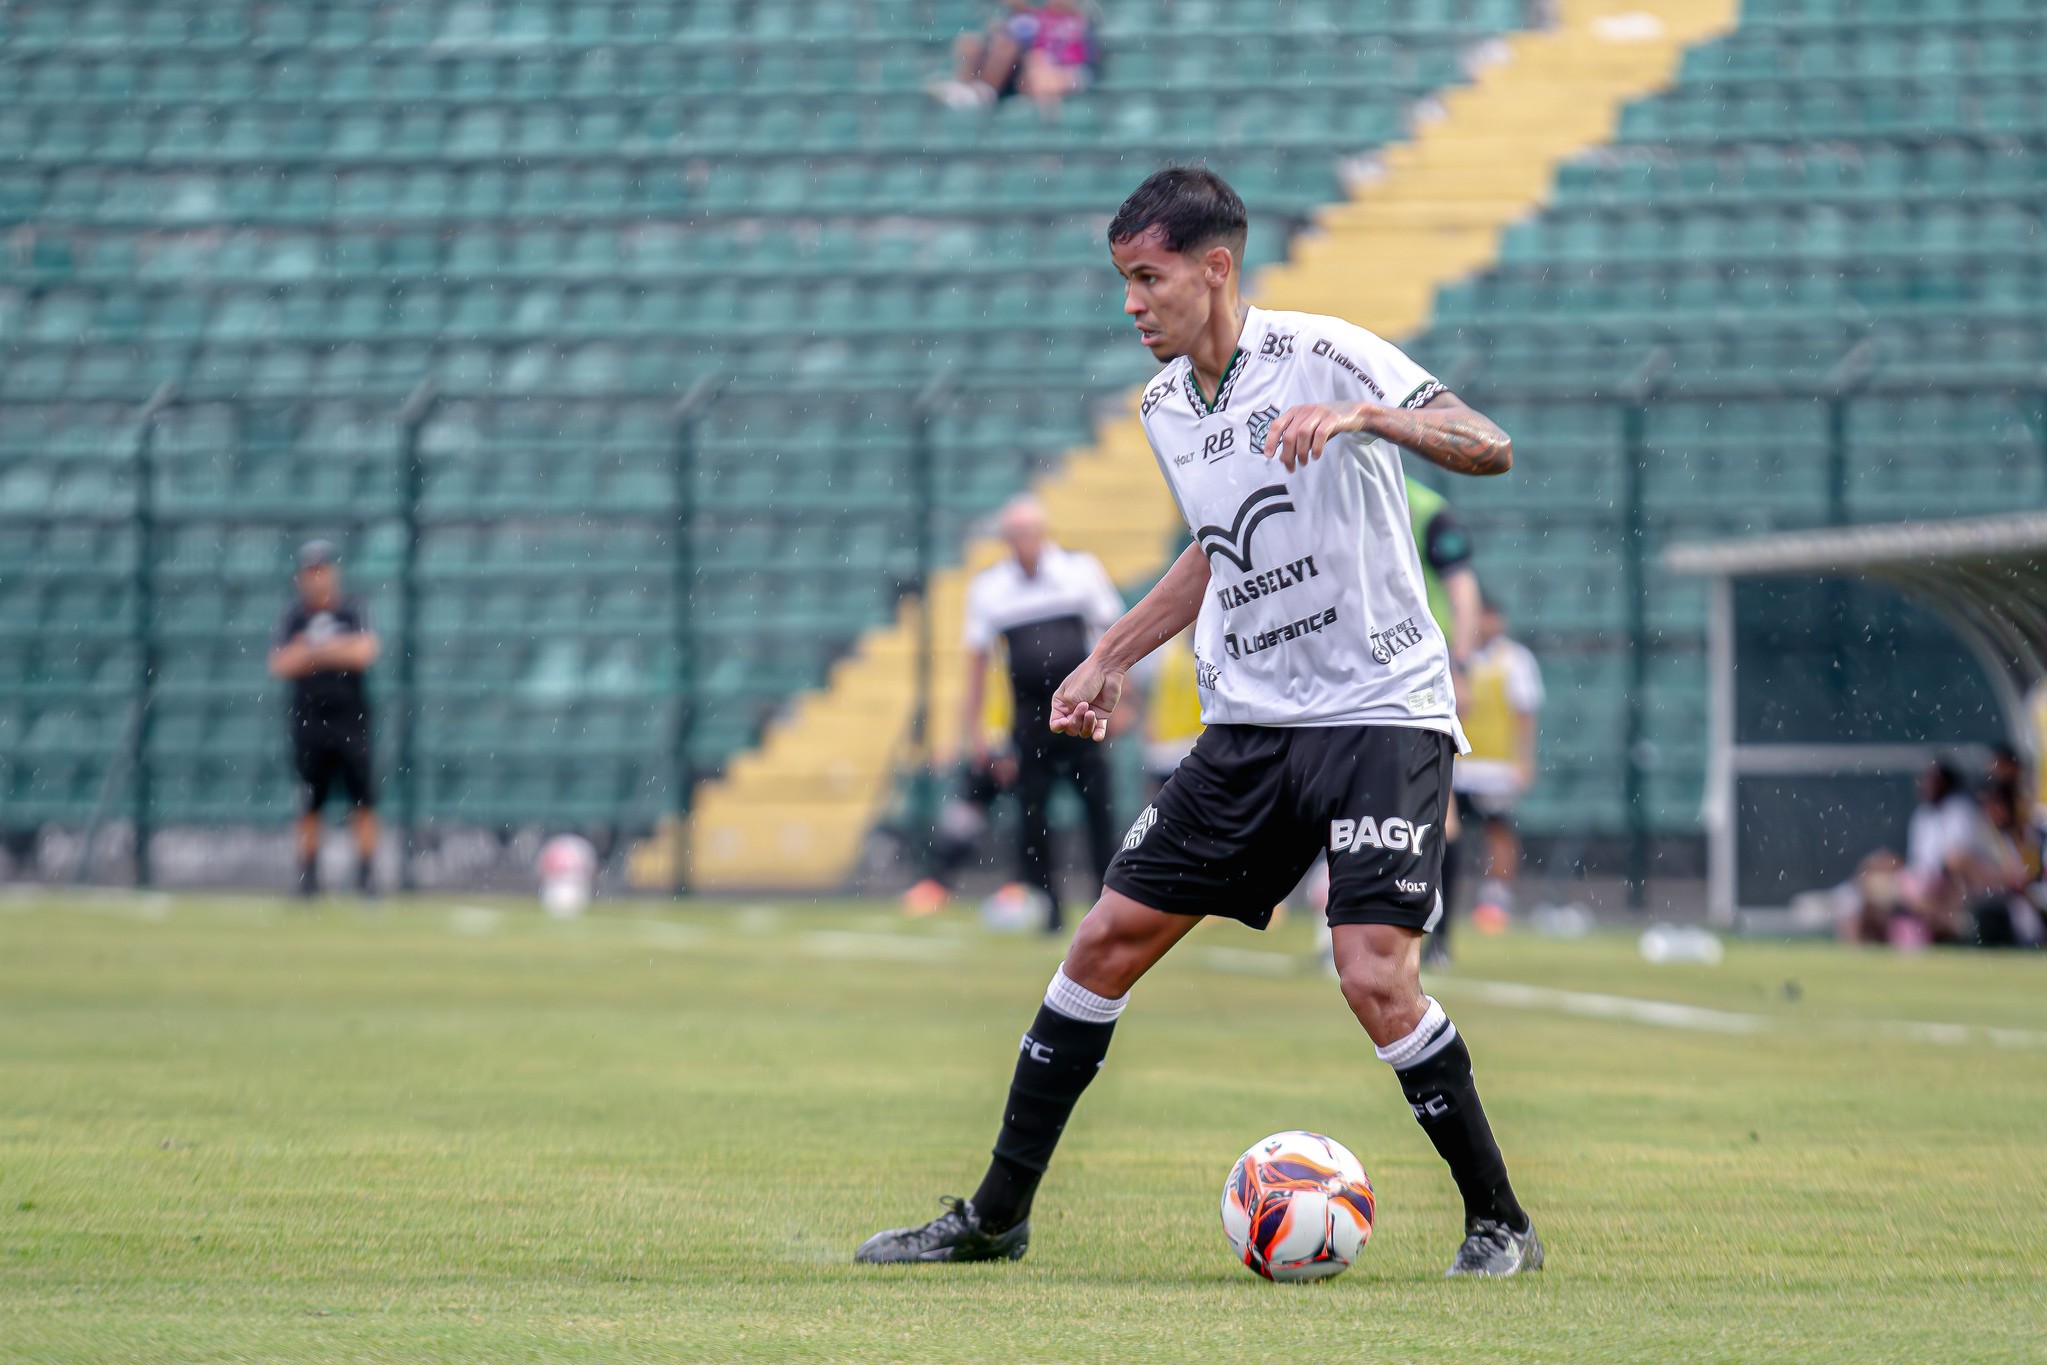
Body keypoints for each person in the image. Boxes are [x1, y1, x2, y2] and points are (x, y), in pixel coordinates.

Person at [856, 167, 1539, 1277]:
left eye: (1147, 278)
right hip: (1250, 726)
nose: (1131, 303)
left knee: (1371, 973)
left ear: (1214, 268)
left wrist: (1365, 416)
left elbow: (1485, 441)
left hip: (1377, 711)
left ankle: (1499, 1220)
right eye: (1122, 281)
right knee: (1101, 945)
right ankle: (994, 1216)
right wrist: (1108, 655)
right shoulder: (1165, 405)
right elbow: (1215, 551)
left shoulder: (1325, 353)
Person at [956, 495, 1126, 933]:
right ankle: (1046, 905)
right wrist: (977, 731)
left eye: (1027, 533)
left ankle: (1104, 901)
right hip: (1030, 721)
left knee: (1098, 809)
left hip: (1082, 710)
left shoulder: (1079, 572)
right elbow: (978, 665)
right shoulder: (990, 587)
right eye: (1013, 535)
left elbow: (1113, 638)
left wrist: (1120, 701)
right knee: (1033, 818)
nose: (1021, 543)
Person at [268, 540, 381, 898]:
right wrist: (334, 651)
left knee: (362, 801)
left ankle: (366, 876)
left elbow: (364, 652)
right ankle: (308, 877)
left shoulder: (352, 610)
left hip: (351, 721)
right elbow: (280, 663)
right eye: (310, 572)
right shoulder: (293, 615)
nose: (317, 579)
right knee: (308, 803)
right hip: (309, 724)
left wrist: (314, 650)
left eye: (322, 570)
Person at [1402, 477, 1479, 965]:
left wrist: (1461, 666)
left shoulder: (1426, 509)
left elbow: (1463, 591)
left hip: (1416, 672)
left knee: (1437, 805)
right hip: (1360, 674)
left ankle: (1440, 935)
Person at [1452, 594, 1544, 923]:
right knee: (1447, 831)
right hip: (1457, 765)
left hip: (1496, 767)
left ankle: (1496, 898)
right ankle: (1443, 893)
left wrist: (1524, 761)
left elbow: (1525, 713)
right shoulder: (1455, 657)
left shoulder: (1515, 660)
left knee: (1498, 830)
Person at [932, 1, 1041, 109]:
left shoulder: (1034, 17)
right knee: (969, 43)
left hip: (1022, 65)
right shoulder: (1004, 15)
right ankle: (964, 88)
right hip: (1000, 56)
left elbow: (1026, 38)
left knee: (1005, 46)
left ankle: (982, 93)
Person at [1018, 0, 1097, 110]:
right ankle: (1048, 108)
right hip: (1045, 73)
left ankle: (1049, 109)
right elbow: (1036, 54)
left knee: (1046, 80)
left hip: (1075, 72)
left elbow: (1078, 58)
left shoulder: (1079, 18)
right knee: (1036, 68)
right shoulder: (1039, 18)